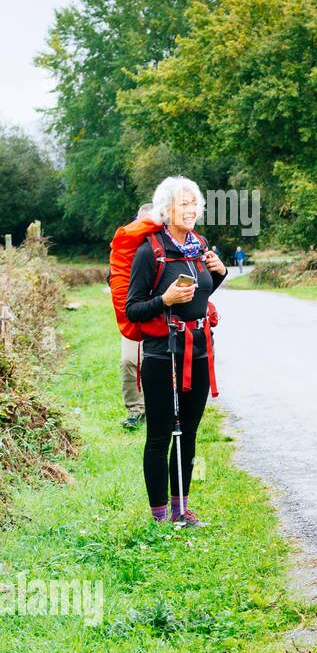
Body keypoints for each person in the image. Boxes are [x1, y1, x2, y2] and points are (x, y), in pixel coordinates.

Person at [124, 176, 226, 526]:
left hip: (198, 351)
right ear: (166, 209)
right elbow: (132, 308)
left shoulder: (199, 247)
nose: (192, 209)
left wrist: (221, 273)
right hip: (161, 353)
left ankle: (182, 509)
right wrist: (164, 300)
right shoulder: (149, 251)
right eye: (184, 204)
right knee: (160, 434)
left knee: (190, 430)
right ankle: (159, 517)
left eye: (194, 203)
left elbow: (201, 297)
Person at [120, 203, 155, 430]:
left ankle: (165, 408)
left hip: (161, 312)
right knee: (129, 361)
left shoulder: (163, 248)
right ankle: (135, 410)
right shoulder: (126, 252)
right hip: (136, 314)